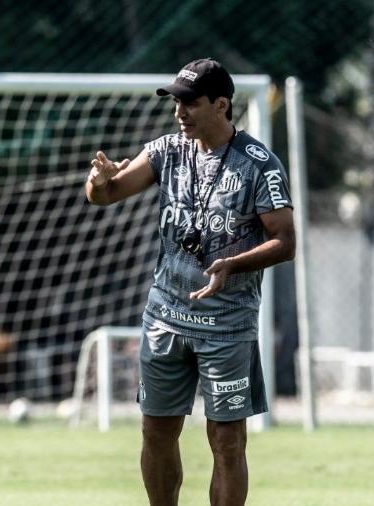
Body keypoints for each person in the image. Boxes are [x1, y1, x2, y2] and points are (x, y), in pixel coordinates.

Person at [85, 58, 295, 506]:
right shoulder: (166, 151)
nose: (179, 111)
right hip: (165, 319)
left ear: (221, 105)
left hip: (228, 325)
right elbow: (109, 194)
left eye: (190, 102)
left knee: (226, 441)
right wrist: (98, 184)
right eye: (175, 101)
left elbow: (286, 242)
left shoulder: (259, 164)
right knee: (155, 432)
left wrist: (232, 265)